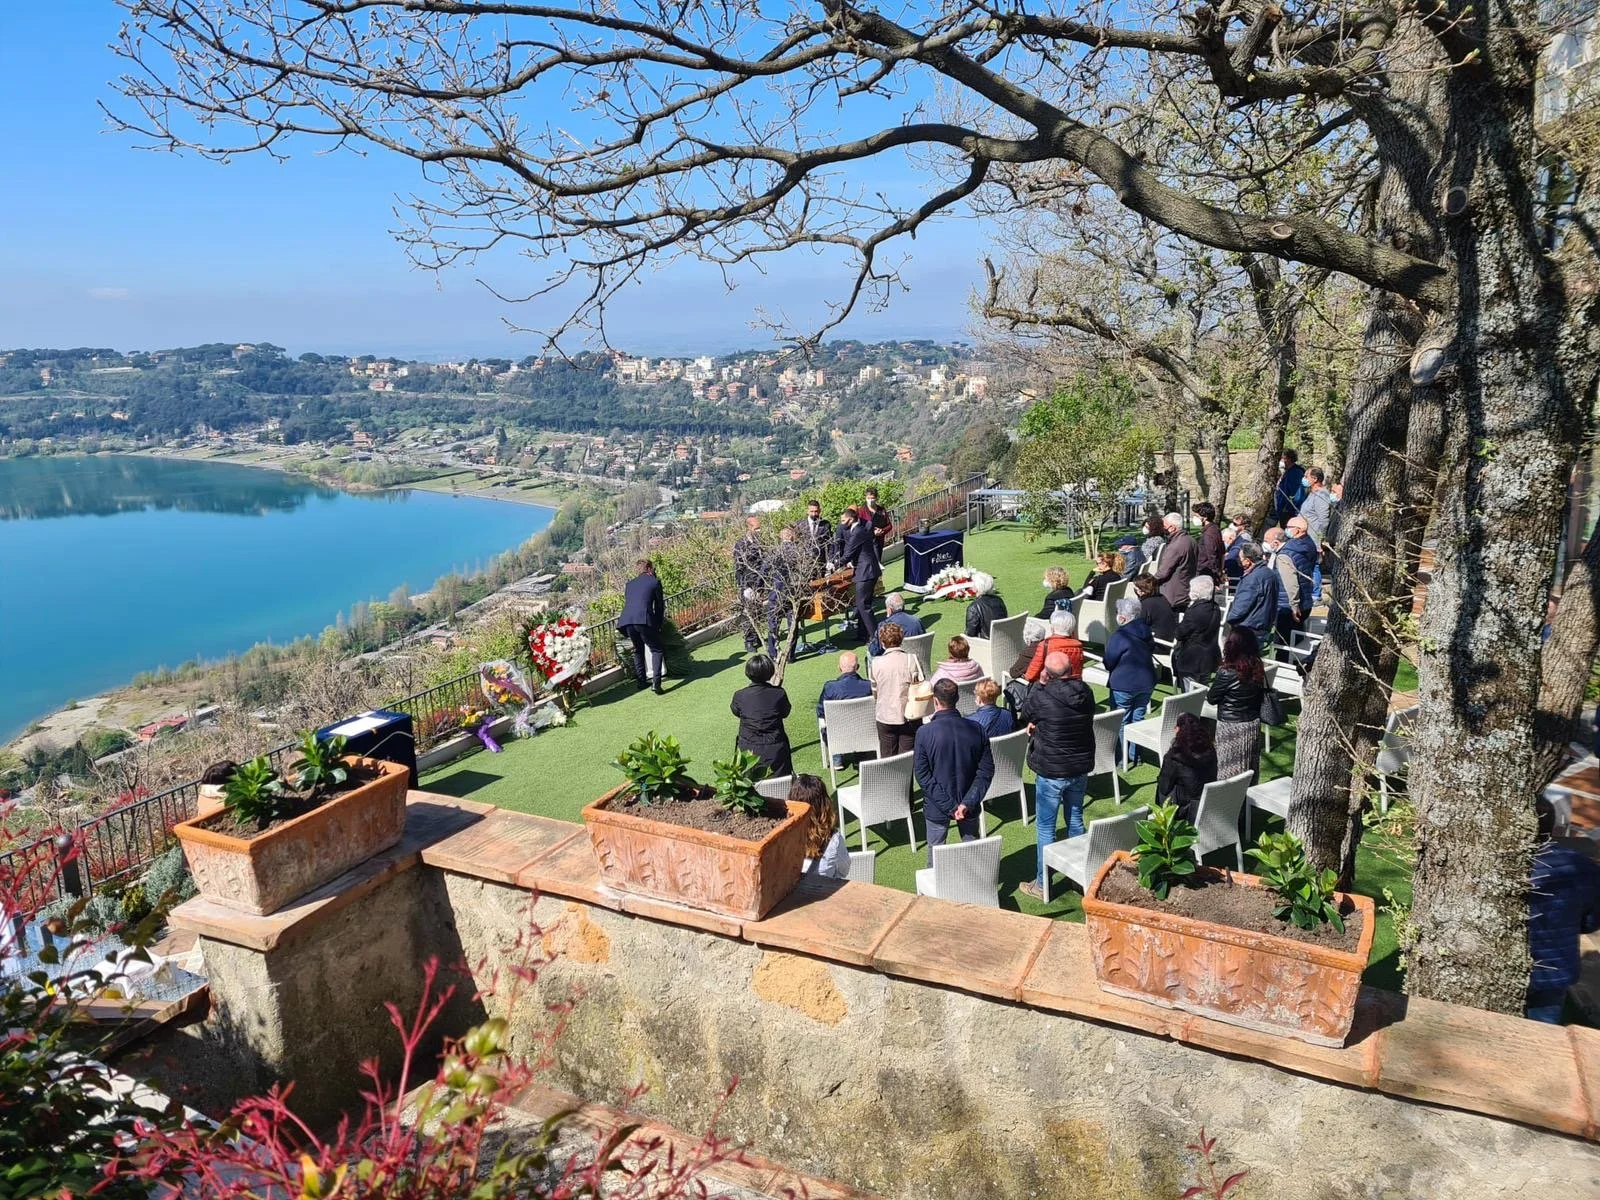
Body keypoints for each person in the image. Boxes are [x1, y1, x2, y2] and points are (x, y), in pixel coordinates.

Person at [1018, 651, 1097, 900]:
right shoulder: (1085, 692)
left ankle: (1043, 884)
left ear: (1047, 674)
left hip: (1053, 772)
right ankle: (1077, 877)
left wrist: (1040, 686)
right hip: (1078, 767)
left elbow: (1025, 713)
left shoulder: (1042, 695)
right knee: (1075, 821)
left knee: (1046, 829)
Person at [1526, 797, 1600, 1022]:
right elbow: (1591, 920)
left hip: (1493, 970)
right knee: (1543, 1040)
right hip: (1552, 971)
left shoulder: (1496, 865)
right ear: (1553, 825)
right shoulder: (1581, 866)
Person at [913, 678, 995, 865]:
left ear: (935, 701)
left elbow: (923, 776)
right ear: (957, 698)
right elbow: (986, 772)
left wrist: (952, 805)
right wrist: (966, 803)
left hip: (938, 805)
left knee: (936, 856)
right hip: (968, 804)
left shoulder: (924, 733)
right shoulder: (977, 729)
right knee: (972, 852)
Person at [1207, 627, 1267, 782]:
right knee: (1249, 767)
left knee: (1227, 769)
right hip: (1252, 725)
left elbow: (1212, 698)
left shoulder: (1226, 672)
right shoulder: (1258, 667)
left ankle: (1230, 802)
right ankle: (1247, 799)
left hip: (1230, 727)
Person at [1104, 596, 1156, 766]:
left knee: (1121, 720)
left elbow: (1109, 661)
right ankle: (1136, 755)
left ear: (1123, 617)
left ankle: (1122, 757)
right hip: (1146, 682)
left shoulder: (1119, 636)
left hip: (1124, 684)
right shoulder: (1145, 629)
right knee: (1138, 717)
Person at [730, 653, 793, 778]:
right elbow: (785, 712)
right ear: (770, 671)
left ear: (748, 672)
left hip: (748, 751)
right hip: (776, 750)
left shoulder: (740, 695)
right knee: (781, 784)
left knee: (750, 783)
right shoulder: (779, 693)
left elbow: (736, 711)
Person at [870, 622, 924, 757]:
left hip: (886, 716)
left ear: (882, 642)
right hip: (909, 715)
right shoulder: (912, 659)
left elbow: (874, 691)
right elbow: (921, 684)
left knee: (888, 760)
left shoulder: (876, 663)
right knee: (907, 759)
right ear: (901, 639)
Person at [1154, 713, 1218, 824]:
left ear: (1178, 730)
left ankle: (1163, 820)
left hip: (1185, 808)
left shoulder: (1174, 758)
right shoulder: (1210, 749)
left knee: (1162, 785)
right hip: (1208, 799)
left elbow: (1164, 787)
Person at [816, 650, 872, 769]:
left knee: (824, 721)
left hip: (838, 735)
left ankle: (837, 757)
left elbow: (821, 711)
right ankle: (860, 756)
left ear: (839, 668)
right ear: (857, 667)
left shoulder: (830, 687)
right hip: (865, 732)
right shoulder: (868, 686)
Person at [618, 558, 667, 694]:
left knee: (638, 650)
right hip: (643, 620)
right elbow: (659, 606)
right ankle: (656, 683)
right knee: (656, 649)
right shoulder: (655, 582)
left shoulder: (629, 584)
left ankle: (641, 682)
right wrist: (658, 625)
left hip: (627, 621)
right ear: (650, 569)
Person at [794, 773, 849, 879]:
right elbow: (844, 870)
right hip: (822, 892)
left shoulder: (783, 837)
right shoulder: (834, 840)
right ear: (825, 805)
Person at [1171, 575, 1222, 689]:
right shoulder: (1216, 608)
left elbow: (1179, 633)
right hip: (1209, 656)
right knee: (1202, 690)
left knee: (1189, 694)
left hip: (1192, 660)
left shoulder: (1194, 612)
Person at [1225, 542, 1281, 644]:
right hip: (1263, 624)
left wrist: (1230, 619)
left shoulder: (1252, 579)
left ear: (1248, 561)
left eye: (1240, 558)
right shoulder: (1270, 573)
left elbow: (1242, 606)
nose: (1239, 561)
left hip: (1247, 628)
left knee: (1241, 658)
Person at [841, 504, 883, 642]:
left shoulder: (857, 532)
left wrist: (833, 564)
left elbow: (848, 554)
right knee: (864, 605)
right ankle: (862, 634)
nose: (841, 524)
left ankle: (875, 637)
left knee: (862, 605)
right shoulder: (860, 530)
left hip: (866, 572)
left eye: (843, 521)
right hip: (867, 570)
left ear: (851, 519)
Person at [1262, 525, 1304, 652]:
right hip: (1282, 601)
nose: (1264, 544)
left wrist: (1294, 605)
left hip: (1284, 604)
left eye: (1266, 541)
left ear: (1275, 542)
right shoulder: (1285, 551)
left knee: (1282, 642)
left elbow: (1291, 583)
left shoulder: (1283, 556)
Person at [1024, 607, 1085, 682]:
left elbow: (1031, 675)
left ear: (1052, 628)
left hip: (1050, 687)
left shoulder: (1045, 645)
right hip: (1073, 687)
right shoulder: (1078, 646)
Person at [733, 514, 766, 652]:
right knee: (748, 614)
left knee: (757, 612)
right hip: (747, 584)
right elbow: (740, 567)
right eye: (756, 528)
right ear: (749, 527)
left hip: (759, 583)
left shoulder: (759, 542)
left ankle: (757, 636)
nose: (759, 531)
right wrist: (745, 587)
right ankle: (749, 641)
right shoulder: (741, 545)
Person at [1154, 511, 1198, 610]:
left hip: (1172, 593)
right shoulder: (1191, 540)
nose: (1162, 528)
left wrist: (1149, 581)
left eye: (1164, 525)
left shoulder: (1175, 546)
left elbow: (1163, 572)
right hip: (1186, 587)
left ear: (1172, 528)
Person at [1282, 516, 1321, 611]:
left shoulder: (1294, 547)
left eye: (1289, 527)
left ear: (1298, 529)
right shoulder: (1308, 542)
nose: (1286, 529)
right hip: (1305, 593)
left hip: (1298, 595)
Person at [868, 591, 924, 656]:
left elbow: (875, 651)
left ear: (890, 609)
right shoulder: (916, 621)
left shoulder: (884, 626)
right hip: (916, 661)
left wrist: (871, 644)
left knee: (869, 654)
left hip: (895, 662)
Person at [1132, 574, 1177, 641]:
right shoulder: (1162, 597)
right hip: (1170, 638)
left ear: (1141, 591)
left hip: (1158, 643)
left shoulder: (1145, 604)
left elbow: (1139, 627)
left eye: (1135, 589)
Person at [792, 497, 832, 573]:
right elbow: (796, 542)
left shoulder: (825, 524)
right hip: (805, 561)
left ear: (819, 511)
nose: (814, 514)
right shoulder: (800, 524)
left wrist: (830, 560)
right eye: (811, 511)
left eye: (816, 511)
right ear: (807, 511)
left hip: (821, 561)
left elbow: (829, 543)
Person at [1297, 467, 1333, 542]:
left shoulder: (1321, 495)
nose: (1304, 478)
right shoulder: (1312, 493)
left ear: (1315, 479)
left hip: (1312, 540)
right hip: (1304, 538)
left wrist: (1319, 542)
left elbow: (1323, 521)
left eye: (1306, 476)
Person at [1274, 449, 1307, 524]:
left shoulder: (1296, 473)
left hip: (1289, 512)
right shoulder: (1288, 471)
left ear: (1289, 459)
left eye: (1283, 458)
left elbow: (1297, 494)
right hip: (1284, 510)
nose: (1282, 461)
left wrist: (1289, 509)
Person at [1194, 501, 1225, 583]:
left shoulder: (1208, 534)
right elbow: (1222, 552)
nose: (1195, 518)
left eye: (1197, 516)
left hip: (1205, 572)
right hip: (1209, 571)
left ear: (1205, 517)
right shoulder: (1215, 528)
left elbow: (1212, 555)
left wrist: (1218, 574)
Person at [863, 486, 894, 550]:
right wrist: (873, 533)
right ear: (865, 498)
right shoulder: (861, 511)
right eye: (868, 498)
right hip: (867, 544)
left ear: (876, 498)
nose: (870, 500)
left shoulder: (881, 510)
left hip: (879, 542)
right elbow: (858, 529)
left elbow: (889, 525)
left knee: (878, 559)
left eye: (872, 498)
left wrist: (881, 531)